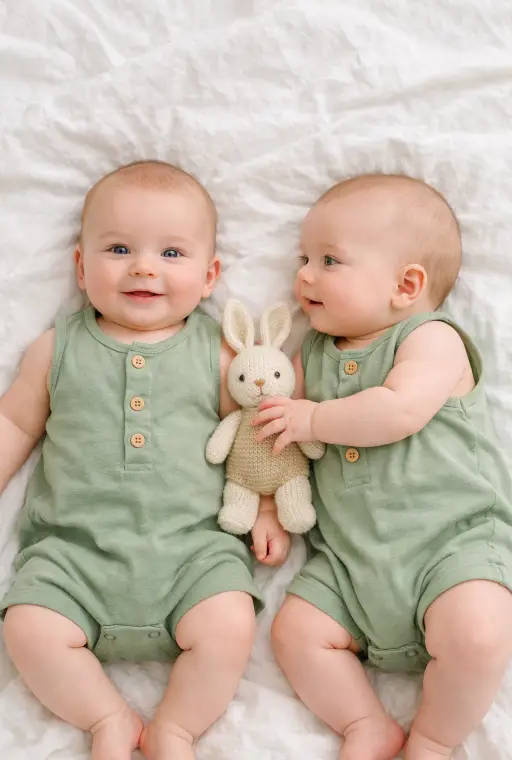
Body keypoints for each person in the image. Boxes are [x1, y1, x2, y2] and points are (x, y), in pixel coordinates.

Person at [0, 160, 290, 760]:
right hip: (73, 560)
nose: (143, 266)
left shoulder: (218, 353)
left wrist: (264, 505)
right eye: (119, 248)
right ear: (81, 268)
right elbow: (13, 423)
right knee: (27, 626)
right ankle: (105, 716)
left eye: (172, 254)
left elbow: (254, 437)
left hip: (192, 556)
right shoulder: (57, 347)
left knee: (231, 622)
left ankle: (175, 730)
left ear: (210, 276)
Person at [253, 173, 512, 760]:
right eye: (303, 257)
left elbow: (398, 411)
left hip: (452, 548)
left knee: (479, 635)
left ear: (406, 284)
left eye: (330, 260)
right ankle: (364, 723)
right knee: (294, 634)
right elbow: (272, 430)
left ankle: (434, 739)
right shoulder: (311, 353)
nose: (305, 275)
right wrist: (267, 503)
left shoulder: (430, 340)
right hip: (350, 565)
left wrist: (312, 419)